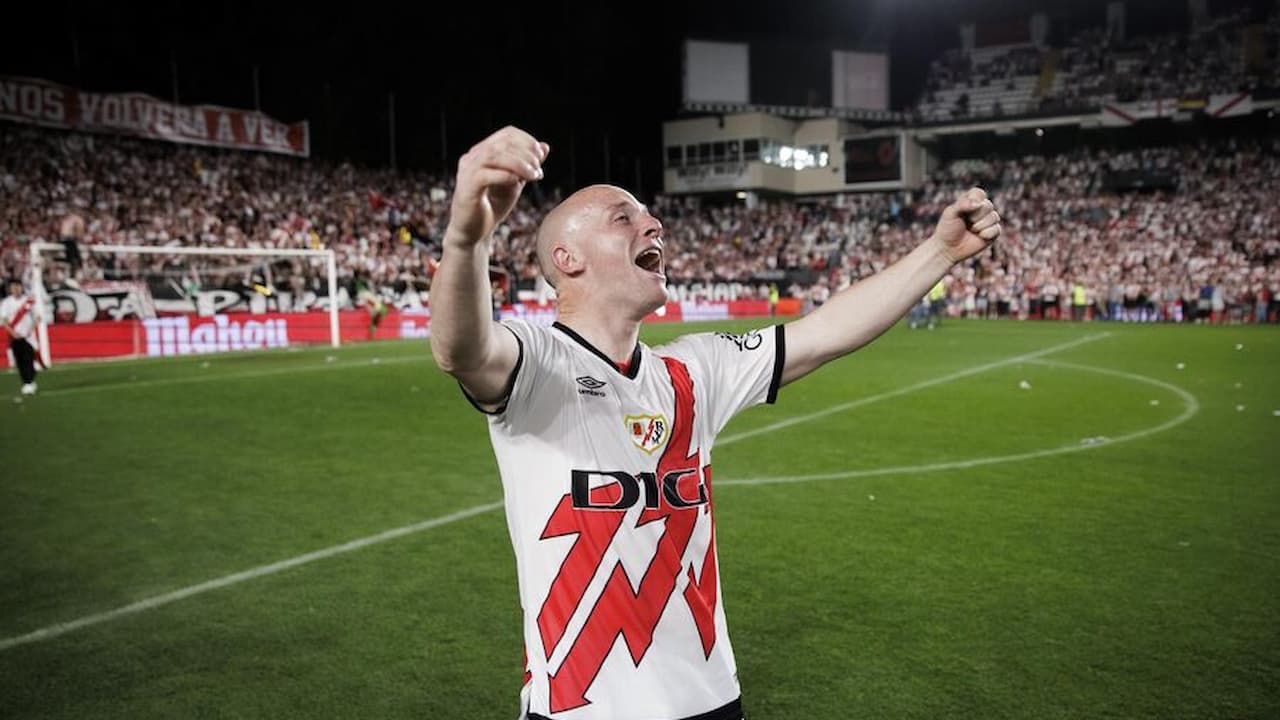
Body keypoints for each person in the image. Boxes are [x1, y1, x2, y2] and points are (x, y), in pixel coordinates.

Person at [429, 126, 1001, 720]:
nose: (654, 225)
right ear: (566, 259)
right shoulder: (538, 365)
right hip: (582, 710)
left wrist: (940, 252)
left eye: (649, 216)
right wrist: (468, 236)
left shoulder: (695, 370)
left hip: (712, 702)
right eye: (624, 218)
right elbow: (461, 349)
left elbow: (826, 332)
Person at [1, 279, 41, 395]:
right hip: (14, 336)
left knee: (29, 359)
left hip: (28, 336)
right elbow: (4, 320)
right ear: (10, 289)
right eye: (13, 287)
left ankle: (29, 381)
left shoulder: (28, 301)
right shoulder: (6, 303)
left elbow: (37, 317)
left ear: (21, 287)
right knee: (20, 361)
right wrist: (12, 332)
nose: (16, 289)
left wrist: (30, 330)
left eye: (18, 286)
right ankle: (27, 382)